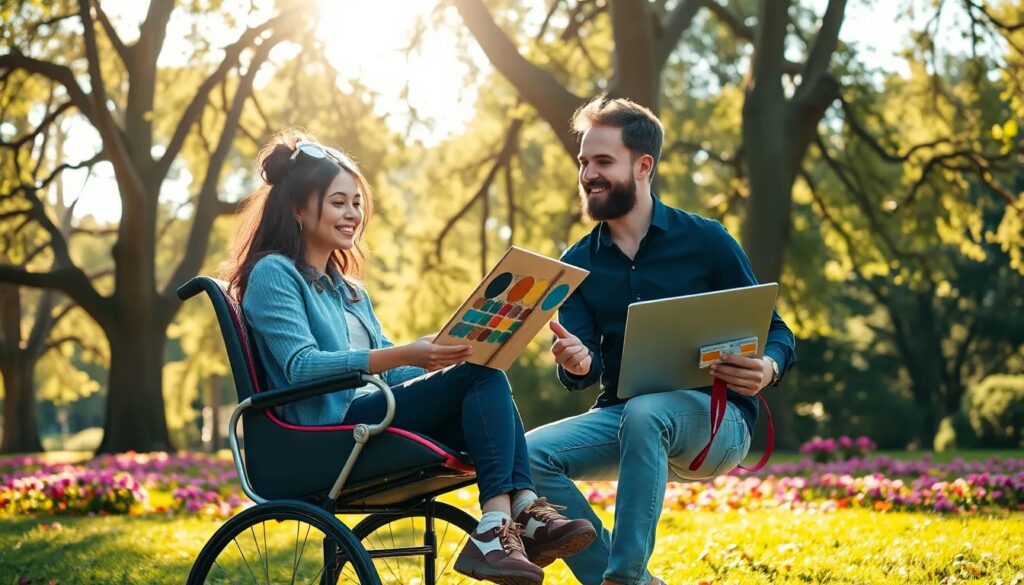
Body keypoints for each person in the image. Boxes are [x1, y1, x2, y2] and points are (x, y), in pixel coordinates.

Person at [226, 129, 595, 585]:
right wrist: (406, 354)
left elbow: (389, 368)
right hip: (327, 430)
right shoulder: (274, 274)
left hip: (369, 418)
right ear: (298, 209)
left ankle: (517, 514)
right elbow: (301, 367)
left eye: (357, 203)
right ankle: (509, 521)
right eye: (338, 202)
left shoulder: (349, 292)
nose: (352, 214)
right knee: (479, 377)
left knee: (482, 371)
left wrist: (433, 354)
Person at [525, 97, 797, 585]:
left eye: (603, 161)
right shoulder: (577, 263)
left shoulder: (707, 241)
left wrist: (768, 367)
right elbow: (579, 366)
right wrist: (576, 361)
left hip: (718, 420)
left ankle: (625, 578)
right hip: (623, 416)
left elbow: (776, 331)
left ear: (643, 165)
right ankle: (628, 579)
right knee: (527, 455)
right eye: (584, 162)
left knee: (646, 411)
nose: (588, 174)